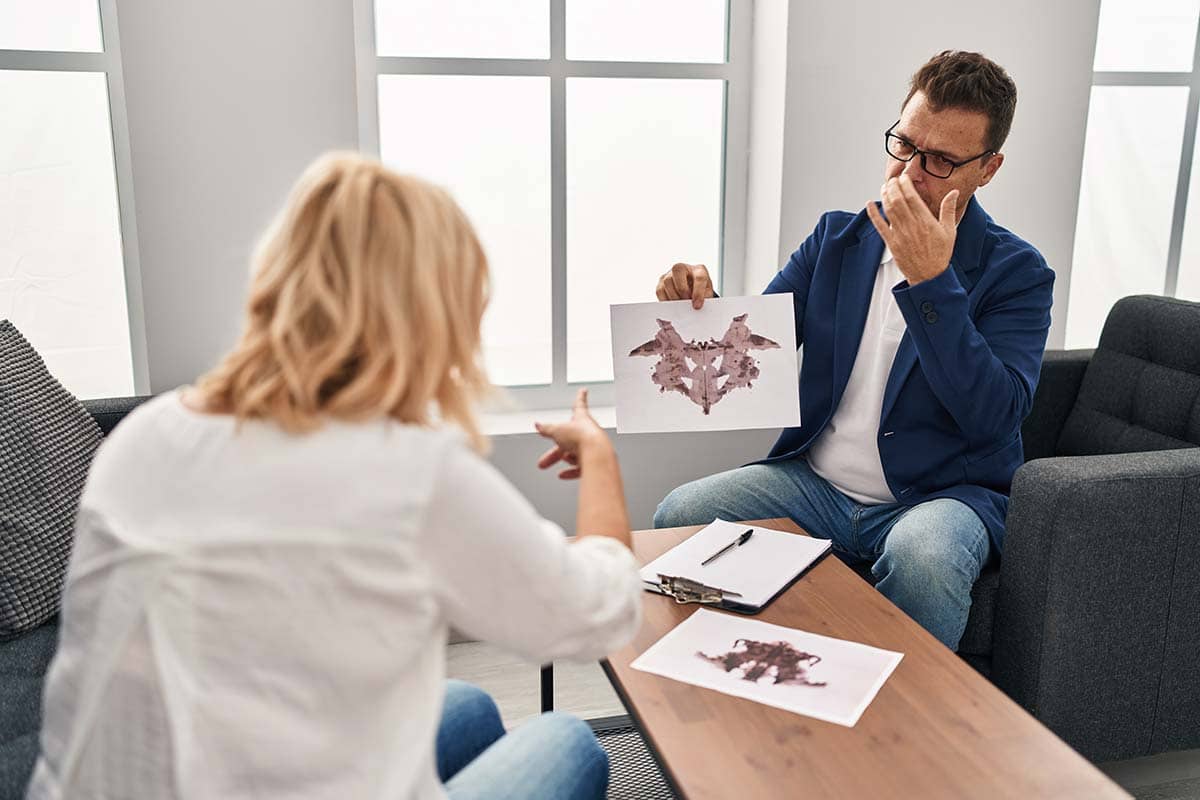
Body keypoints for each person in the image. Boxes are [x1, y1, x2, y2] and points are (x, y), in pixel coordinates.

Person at [27, 154, 642, 799]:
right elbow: (598, 614)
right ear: (434, 314)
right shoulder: (412, 474)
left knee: (468, 707)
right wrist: (599, 457)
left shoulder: (143, 436)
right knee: (569, 741)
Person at [652, 51, 1054, 652]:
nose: (913, 172)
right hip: (815, 484)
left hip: (944, 498)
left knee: (925, 558)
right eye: (905, 144)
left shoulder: (1018, 272)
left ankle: (896, 733)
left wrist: (931, 285)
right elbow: (752, 357)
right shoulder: (836, 239)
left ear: (988, 169)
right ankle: (748, 692)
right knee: (679, 515)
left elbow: (995, 415)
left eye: (942, 160)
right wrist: (699, 309)